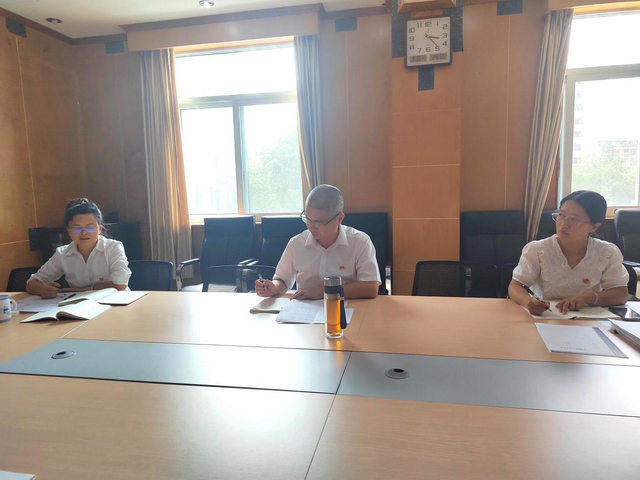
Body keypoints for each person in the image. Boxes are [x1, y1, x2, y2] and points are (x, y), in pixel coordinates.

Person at [509, 190, 628, 315]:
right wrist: (528, 302)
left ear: (594, 227)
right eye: (561, 215)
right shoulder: (538, 249)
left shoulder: (607, 252)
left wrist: (586, 298)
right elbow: (515, 286)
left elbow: (620, 294)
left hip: (588, 319)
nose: (564, 224)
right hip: (547, 316)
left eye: (574, 219)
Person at [255, 185, 381, 300]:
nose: (311, 227)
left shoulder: (359, 242)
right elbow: (282, 280)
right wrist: (273, 287)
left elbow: (370, 287)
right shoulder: (296, 243)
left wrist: (324, 292)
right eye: (308, 219)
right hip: (304, 310)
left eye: (319, 223)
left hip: (346, 308)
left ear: (339, 218)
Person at [26, 198, 131, 299]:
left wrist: (84, 290)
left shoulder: (113, 247)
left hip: (116, 303)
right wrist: (43, 289)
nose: (84, 232)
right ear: (68, 230)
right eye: (77, 228)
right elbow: (32, 283)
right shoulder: (62, 253)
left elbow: (120, 284)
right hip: (80, 306)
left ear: (99, 229)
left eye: (90, 227)